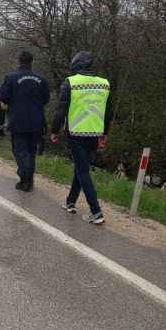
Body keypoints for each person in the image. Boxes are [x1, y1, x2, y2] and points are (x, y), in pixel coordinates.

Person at [49, 51, 114, 225]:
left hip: (76, 133)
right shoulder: (104, 84)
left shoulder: (70, 82)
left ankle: (96, 211)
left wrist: (54, 130)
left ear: (75, 66)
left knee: (83, 171)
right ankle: (70, 201)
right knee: (81, 167)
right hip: (95, 133)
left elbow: (60, 110)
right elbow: (108, 113)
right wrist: (105, 134)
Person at [0, 51, 50, 191]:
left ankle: (25, 178)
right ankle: (28, 180)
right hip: (37, 121)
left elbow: (3, 97)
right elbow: (46, 99)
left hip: (18, 120)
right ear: (31, 61)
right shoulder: (41, 79)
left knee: (19, 150)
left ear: (19, 61)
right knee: (31, 151)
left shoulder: (10, 78)